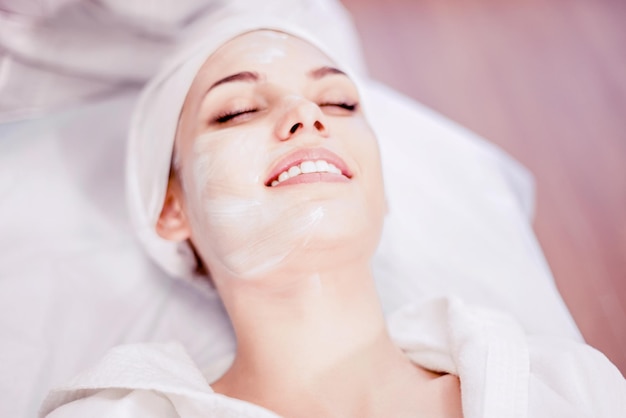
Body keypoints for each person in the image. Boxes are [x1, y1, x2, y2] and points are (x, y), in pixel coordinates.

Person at [41, 18, 625, 418]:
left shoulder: (569, 386)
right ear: (172, 207)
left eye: (340, 103)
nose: (305, 114)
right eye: (237, 110)